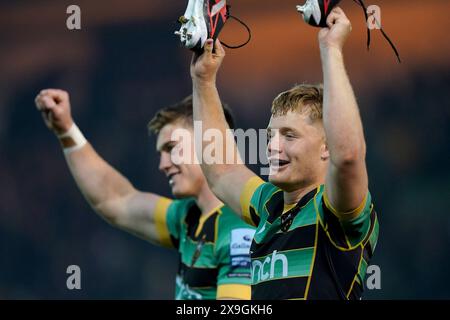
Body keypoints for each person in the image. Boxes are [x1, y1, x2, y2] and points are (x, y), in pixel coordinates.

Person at [190, 7, 379, 299]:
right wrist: (203, 80)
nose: (272, 146)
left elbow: (350, 155)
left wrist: (330, 49)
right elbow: (221, 170)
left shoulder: (334, 210)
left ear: (326, 147)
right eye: (270, 135)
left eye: (289, 135)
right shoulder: (269, 205)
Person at [34, 91, 254, 300]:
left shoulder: (238, 229)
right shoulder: (187, 217)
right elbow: (114, 200)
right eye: (160, 154)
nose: (163, 164)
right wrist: (66, 131)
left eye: (171, 148)